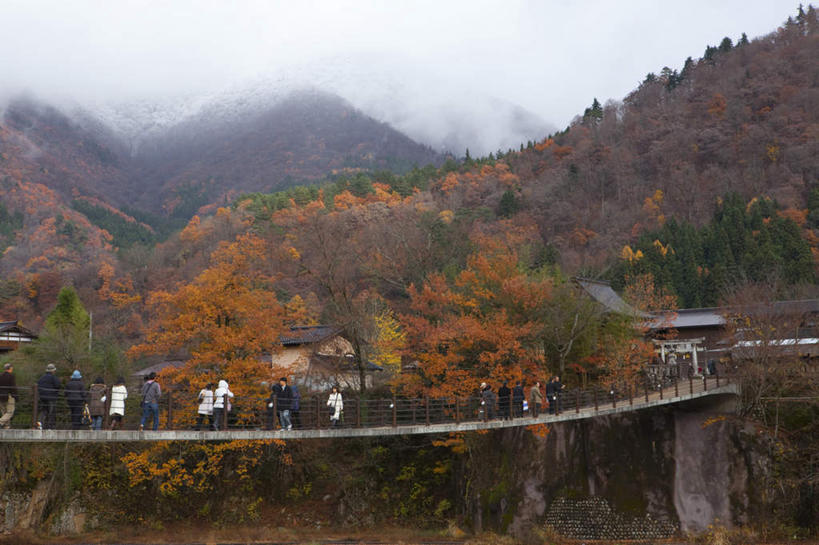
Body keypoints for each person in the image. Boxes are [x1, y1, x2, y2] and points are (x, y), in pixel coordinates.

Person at [37, 364, 61, 429]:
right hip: (51, 398)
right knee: (51, 412)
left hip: (42, 398)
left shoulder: (41, 378)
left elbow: (38, 386)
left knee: (43, 411)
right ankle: (50, 426)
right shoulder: (53, 378)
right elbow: (58, 385)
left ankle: (40, 424)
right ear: (53, 371)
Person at [0, 363, 17, 429]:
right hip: (9, 396)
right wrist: (16, 396)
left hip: (0, 396)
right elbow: (13, 387)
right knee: (10, 412)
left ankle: (6, 426)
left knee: (4, 412)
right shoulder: (11, 376)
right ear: (10, 368)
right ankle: (1, 422)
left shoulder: (0, 375)